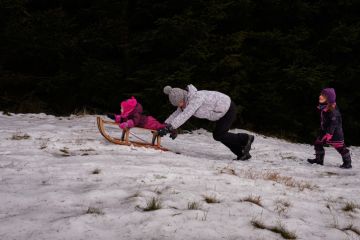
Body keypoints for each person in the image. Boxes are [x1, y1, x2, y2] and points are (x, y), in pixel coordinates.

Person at [158, 84, 254, 160]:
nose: (180, 106)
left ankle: (246, 138)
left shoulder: (196, 98)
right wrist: (165, 125)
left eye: (180, 103)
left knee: (219, 135)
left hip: (228, 109)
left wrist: (171, 127)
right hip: (220, 113)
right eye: (178, 105)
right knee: (219, 135)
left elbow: (186, 114)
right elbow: (176, 114)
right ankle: (242, 153)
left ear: (183, 97)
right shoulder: (185, 103)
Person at [307, 88, 352, 169]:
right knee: (318, 143)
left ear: (329, 99)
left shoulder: (333, 110)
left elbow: (334, 123)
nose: (320, 96)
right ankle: (319, 160)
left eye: (323, 96)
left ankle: (347, 163)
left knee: (340, 147)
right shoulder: (325, 107)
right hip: (325, 131)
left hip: (335, 134)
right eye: (320, 94)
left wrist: (329, 133)